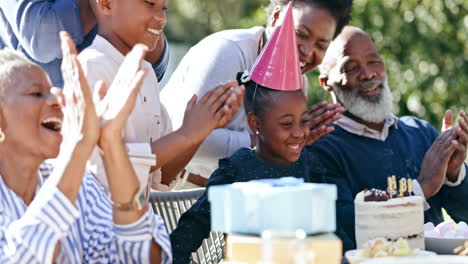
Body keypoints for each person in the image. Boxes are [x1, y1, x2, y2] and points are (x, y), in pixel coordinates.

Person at [0, 32, 172, 263]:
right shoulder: (73, 171)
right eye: (36, 93)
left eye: (54, 91)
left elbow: (146, 258)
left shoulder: (82, 184)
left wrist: (112, 145)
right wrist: (78, 148)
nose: (56, 101)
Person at [170, 7, 325, 261]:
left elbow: (333, 221)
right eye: (286, 124)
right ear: (256, 124)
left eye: (304, 121)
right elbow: (191, 229)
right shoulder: (236, 169)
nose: (299, 133)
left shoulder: (311, 167)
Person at [308, 26, 468, 251]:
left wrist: (454, 174)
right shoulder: (319, 150)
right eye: (351, 67)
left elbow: (463, 220)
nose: (368, 74)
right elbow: (346, 228)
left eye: (374, 61)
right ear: (326, 82)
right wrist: (419, 190)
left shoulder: (420, 132)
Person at [160, 0, 353, 186]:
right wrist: (269, 141)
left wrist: (295, 144)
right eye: (301, 34)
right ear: (276, 17)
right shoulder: (230, 52)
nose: (307, 51)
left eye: (321, 46)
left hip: (238, 197)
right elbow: (191, 139)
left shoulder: (298, 83)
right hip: (173, 195)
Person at [78, 0, 244, 192]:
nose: (161, 19)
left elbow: (160, 176)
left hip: (140, 220)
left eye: (163, 9)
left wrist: (199, 131)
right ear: (106, 4)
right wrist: (186, 134)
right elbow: (107, 170)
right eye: (150, 4)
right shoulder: (91, 68)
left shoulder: (146, 73)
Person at [0, 0, 169, 87]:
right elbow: (43, 37)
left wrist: (147, 13)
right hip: (31, 129)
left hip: (110, 125)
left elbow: (154, 68)